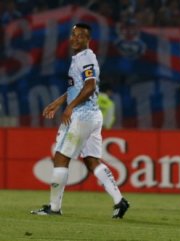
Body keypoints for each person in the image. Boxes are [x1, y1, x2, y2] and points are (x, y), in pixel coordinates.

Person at [30, 23, 129, 219]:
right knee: (92, 161)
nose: (75, 38)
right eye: (73, 35)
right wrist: (58, 102)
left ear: (88, 39)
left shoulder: (86, 58)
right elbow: (78, 87)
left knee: (60, 158)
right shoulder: (80, 58)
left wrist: (70, 107)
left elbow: (90, 86)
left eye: (81, 36)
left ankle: (54, 208)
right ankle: (120, 201)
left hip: (81, 116)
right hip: (93, 116)